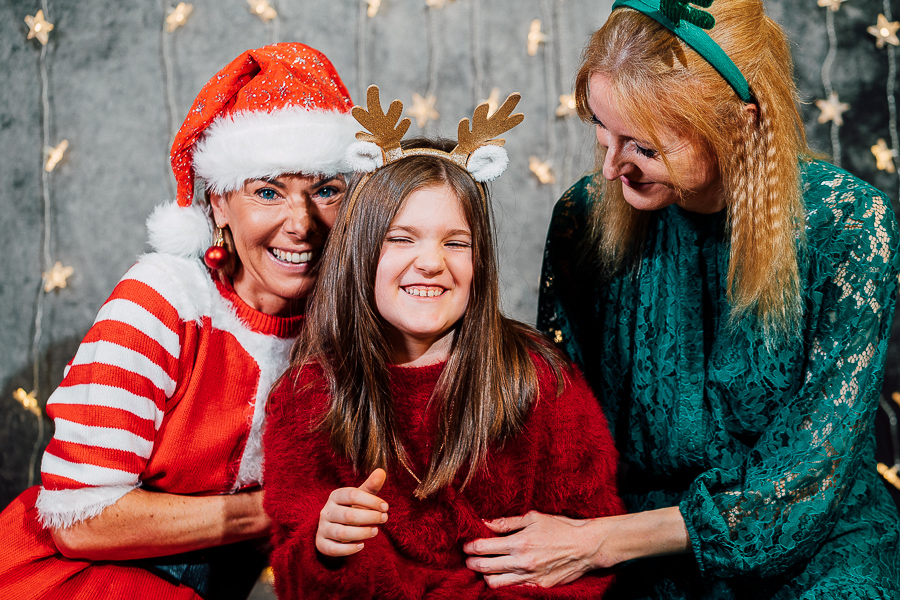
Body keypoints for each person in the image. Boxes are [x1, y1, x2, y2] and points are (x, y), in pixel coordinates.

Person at [463, 0, 900, 598]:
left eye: (643, 148)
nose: (611, 167)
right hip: (624, 530)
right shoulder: (581, 217)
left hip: (809, 537)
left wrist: (599, 541)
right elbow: (563, 425)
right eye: (600, 127)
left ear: (740, 125)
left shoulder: (849, 223)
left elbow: (807, 479)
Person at [0, 43, 359, 600]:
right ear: (218, 204)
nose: (302, 223)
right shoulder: (162, 300)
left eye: (326, 190)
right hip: (76, 581)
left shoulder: (344, 323)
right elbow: (80, 519)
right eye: (267, 191)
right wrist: (285, 507)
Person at [262, 87, 624, 599]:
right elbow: (295, 580)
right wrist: (325, 548)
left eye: (456, 243)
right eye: (401, 238)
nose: (431, 262)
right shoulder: (308, 396)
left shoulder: (540, 382)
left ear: (480, 262)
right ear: (361, 252)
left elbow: (586, 560)